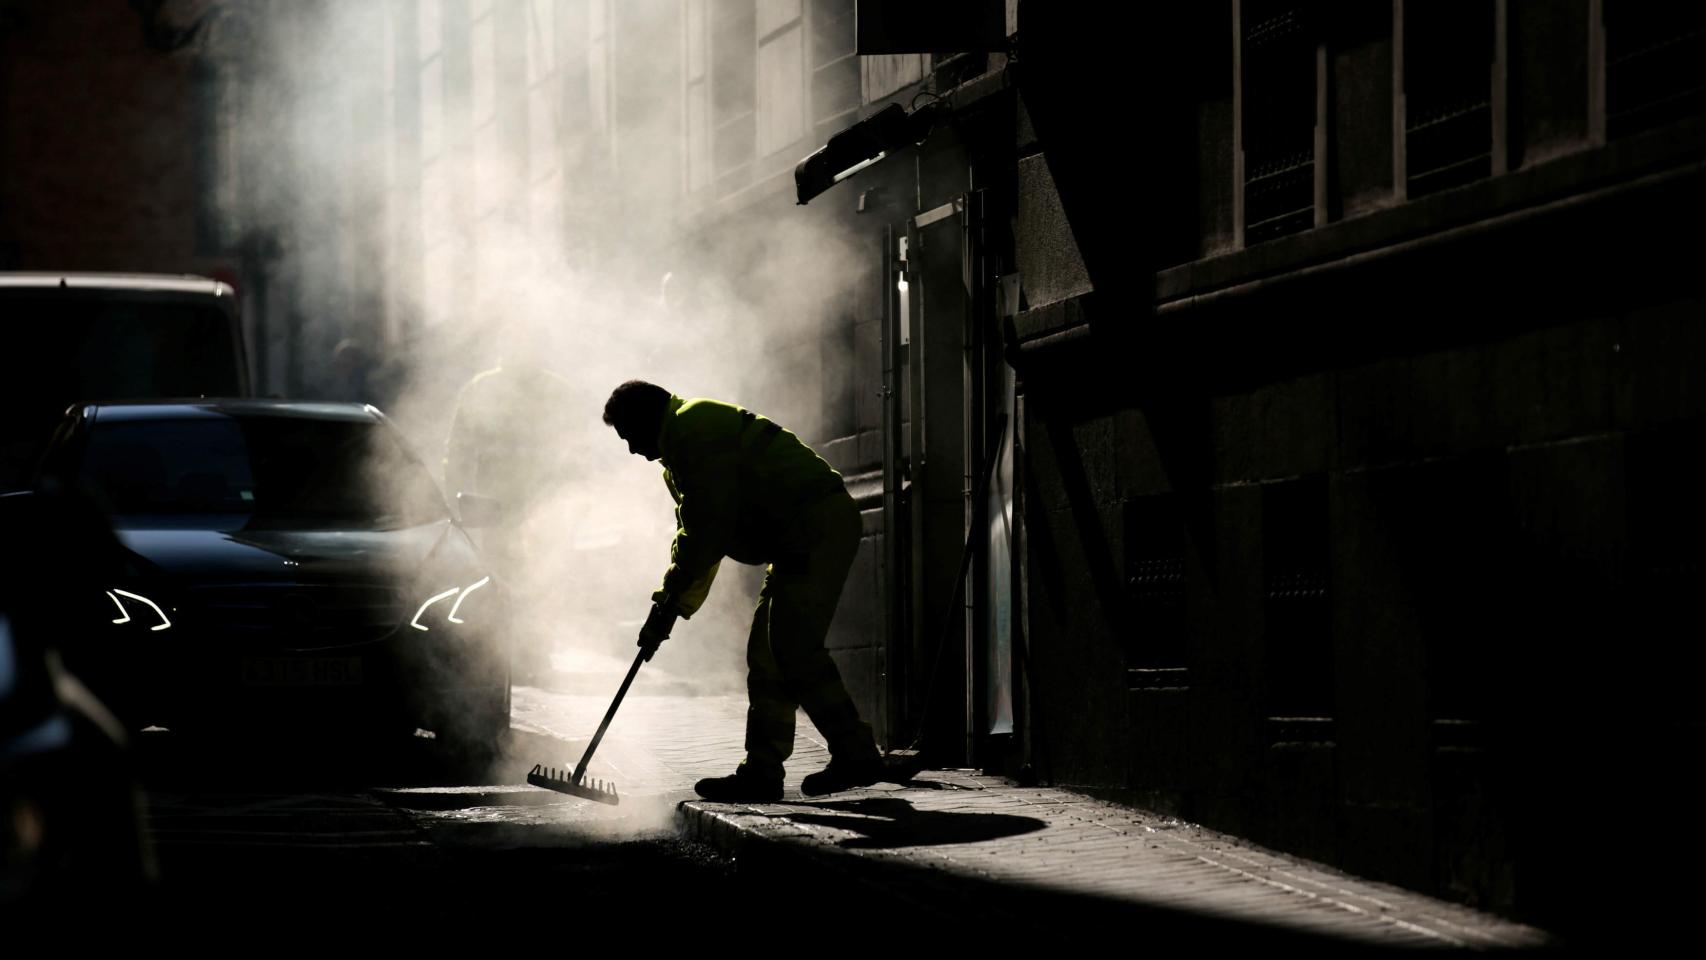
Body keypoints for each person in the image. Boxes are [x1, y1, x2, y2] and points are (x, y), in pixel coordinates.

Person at [604, 380, 904, 801]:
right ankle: (763, 772)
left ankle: (855, 753)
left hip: (815, 526)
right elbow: (701, 535)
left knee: (792, 647)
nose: (632, 450)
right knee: (766, 656)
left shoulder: (692, 431)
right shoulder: (681, 441)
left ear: (643, 419)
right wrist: (671, 605)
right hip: (796, 537)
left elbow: (705, 532)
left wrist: (668, 604)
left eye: (629, 437)